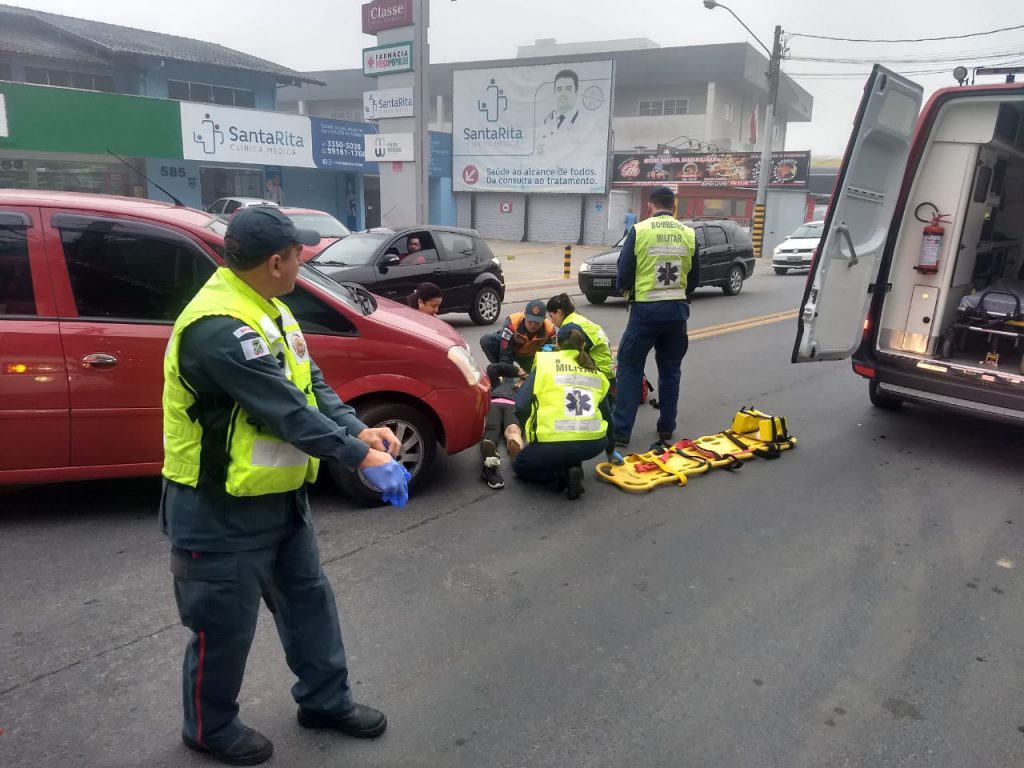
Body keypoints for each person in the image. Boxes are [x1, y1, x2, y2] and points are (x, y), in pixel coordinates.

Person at [160, 206, 405, 766]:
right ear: (277, 261)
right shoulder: (218, 328)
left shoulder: (270, 309)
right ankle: (209, 727)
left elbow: (311, 387)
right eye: (300, 253)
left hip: (281, 499)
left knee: (309, 605)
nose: (305, 259)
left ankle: (325, 701)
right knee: (223, 626)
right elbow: (287, 414)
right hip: (217, 509)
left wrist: (357, 426)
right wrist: (359, 457)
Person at [613, 185, 700, 448]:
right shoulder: (689, 233)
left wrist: (628, 289)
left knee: (629, 367)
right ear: (674, 207)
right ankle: (666, 428)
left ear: (649, 206)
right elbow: (694, 279)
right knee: (671, 370)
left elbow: (624, 274)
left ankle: (621, 432)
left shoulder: (639, 231)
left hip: (645, 313)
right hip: (676, 313)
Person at [514, 326, 610, 499]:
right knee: (570, 445)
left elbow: (521, 404)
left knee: (522, 464)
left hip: (555, 442)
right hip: (594, 444)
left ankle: (562, 478)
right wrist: (610, 449)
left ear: (557, 343)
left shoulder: (546, 364)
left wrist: (531, 429)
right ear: (583, 345)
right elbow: (608, 415)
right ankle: (572, 464)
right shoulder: (595, 372)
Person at [545, 293, 621, 463]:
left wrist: (552, 352)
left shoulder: (569, 327)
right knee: (608, 412)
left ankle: (589, 449)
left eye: (551, 316)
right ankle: (611, 450)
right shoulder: (582, 320)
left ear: (559, 312)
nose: (551, 321)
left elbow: (568, 356)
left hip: (597, 375)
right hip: (609, 373)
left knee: (597, 413)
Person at [479, 362, 525, 490]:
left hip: (514, 405)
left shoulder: (529, 386)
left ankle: (518, 459)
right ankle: (490, 466)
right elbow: (492, 368)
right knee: (492, 429)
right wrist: (517, 371)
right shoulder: (498, 385)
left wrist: (526, 382)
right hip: (494, 402)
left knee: (513, 430)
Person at [479, 299, 556, 375]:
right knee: (487, 340)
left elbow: (551, 357)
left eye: (537, 322)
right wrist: (511, 373)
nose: (533, 325)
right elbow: (505, 354)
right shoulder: (512, 323)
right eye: (530, 321)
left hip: (530, 357)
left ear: (544, 319)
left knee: (532, 378)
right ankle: (501, 373)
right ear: (525, 315)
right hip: (511, 350)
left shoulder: (550, 330)